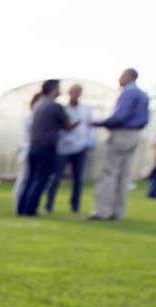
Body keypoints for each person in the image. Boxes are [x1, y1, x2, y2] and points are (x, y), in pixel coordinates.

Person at [89, 68, 150, 220]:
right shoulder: (143, 95)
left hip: (122, 134)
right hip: (134, 135)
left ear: (128, 76)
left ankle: (102, 211)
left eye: (121, 76)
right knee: (124, 175)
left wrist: (100, 123)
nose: (119, 79)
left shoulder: (129, 93)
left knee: (109, 173)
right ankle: (117, 212)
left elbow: (120, 116)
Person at [17, 80, 77, 216]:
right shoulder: (55, 106)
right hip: (47, 147)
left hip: (34, 146)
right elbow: (68, 125)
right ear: (53, 89)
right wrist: (77, 123)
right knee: (41, 179)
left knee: (31, 179)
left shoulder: (38, 105)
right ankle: (30, 209)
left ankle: (22, 208)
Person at [44, 84, 94, 214]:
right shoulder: (61, 107)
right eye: (74, 91)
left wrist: (89, 143)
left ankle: (75, 206)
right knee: (56, 177)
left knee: (78, 179)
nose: (76, 94)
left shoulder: (86, 109)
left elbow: (89, 128)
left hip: (81, 147)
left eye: (79, 92)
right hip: (63, 147)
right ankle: (49, 204)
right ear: (69, 93)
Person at [14, 92, 44, 212]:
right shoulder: (30, 117)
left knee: (29, 180)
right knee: (24, 180)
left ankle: (25, 205)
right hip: (28, 151)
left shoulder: (34, 117)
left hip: (32, 150)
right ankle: (19, 205)